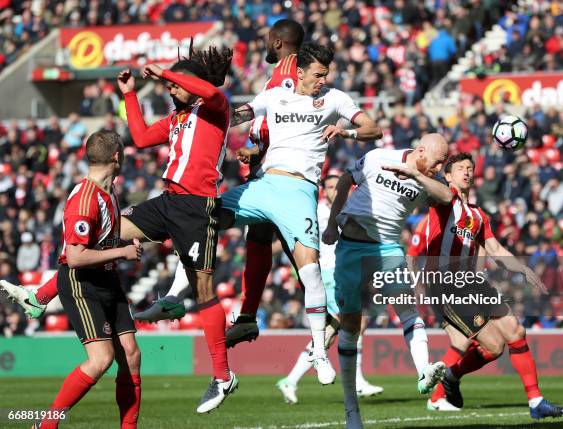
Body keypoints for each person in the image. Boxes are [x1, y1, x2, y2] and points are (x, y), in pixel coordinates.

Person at [0, 42, 238, 415]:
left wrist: (166, 73)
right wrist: (129, 95)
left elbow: (209, 91)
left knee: (204, 291)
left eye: (176, 85)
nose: (170, 90)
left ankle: (222, 376)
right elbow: (141, 138)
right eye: (170, 85)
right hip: (167, 201)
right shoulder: (177, 120)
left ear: (190, 83)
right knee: (104, 233)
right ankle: (40, 298)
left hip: (196, 206)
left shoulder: (215, 110)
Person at [133, 20, 305, 347]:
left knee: (205, 219)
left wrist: (259, 144)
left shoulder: (285, 76)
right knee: (260, 238)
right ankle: (248, 317)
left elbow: (287, 119)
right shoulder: (281, 77)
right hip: (266, 173)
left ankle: (323, 317)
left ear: (276, 41)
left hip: (276, 177)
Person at [226, 41, 382, 387]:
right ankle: (176, 298)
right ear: (299, 73)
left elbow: (374, 129)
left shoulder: (335, 99)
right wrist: (207, 109)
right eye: (317, 74)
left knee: (309, 272)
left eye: (326, 74)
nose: (323, 80)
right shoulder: (272, 97)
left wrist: (346, 130)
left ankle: (320, 356)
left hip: (299, 193)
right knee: (201, 217)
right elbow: (236, 116)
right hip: (264, 186)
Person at [423, 152, 563, 420]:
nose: (466, 172)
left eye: (470, 168)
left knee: (516, 330)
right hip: (446, 285)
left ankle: (536, 402)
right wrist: (416, 174)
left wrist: (522, 267)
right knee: (493, 346)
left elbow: (494, 248)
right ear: (447, 175)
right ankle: (451, 377)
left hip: (473, 284)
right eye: (460, 169)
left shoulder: (478, 215)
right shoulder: (442, 201)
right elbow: (437, 192)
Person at [322, 134, 452, 429]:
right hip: (351, 247)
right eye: (437, 161)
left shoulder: (429, 177)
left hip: (389, 249)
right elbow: (345, 180)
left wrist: (416, 173)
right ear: (420, 150)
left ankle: (423, 372)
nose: (440, 167)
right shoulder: (379, 157)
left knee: (407, 309)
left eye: (443, 163)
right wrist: (332, 222)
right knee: (351, 324)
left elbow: (446, 197)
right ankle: (351, 411)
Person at [38, 131, 142, 429]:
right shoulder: (85, 199)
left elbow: (106, 235)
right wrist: (122, 253)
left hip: (107, 278)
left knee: (132, 355)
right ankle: (46, 425)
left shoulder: (108, 189)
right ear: (116, 157)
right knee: (101, 360)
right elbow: (75, 256)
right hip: (81, 282)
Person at [276, 174, 383, 404]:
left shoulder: (349, 212)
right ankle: (358, 381)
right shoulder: (321, 213)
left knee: (331, 331)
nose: (335, 190)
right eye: (331, 187)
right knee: (356, 322)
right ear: (325, 191)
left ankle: (291, 380)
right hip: (328, 274)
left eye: (338, 186)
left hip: (343, 273)